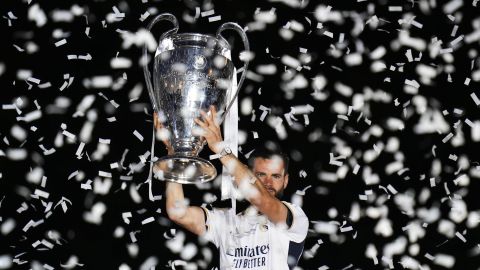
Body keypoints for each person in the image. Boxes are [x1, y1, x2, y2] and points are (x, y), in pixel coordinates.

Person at [154, 106, 309, 270]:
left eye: (276, 176)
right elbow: (177, 212)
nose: (268, 183)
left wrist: (221, 149)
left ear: (285, 181)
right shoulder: (226, 220)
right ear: (248, 174)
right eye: (261, 175)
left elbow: (262, 200)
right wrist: (174, 155)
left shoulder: (296, 218)